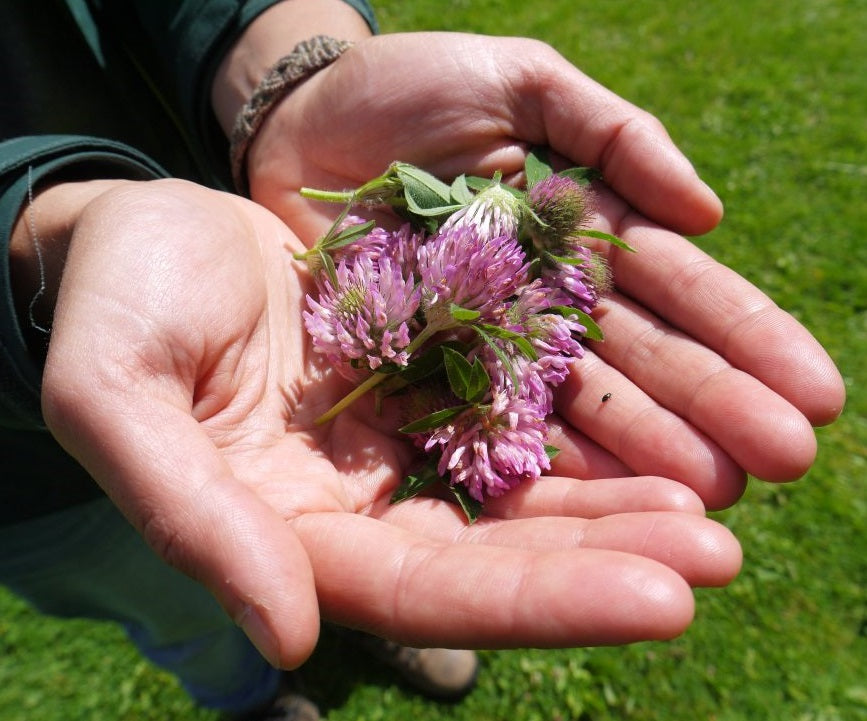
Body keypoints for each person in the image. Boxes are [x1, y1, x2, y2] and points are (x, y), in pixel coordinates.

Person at [0, 1, 845, 720]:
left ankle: (364, 622)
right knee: (177, 604)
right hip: (30, 483)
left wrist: (294, 70)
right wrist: (38, 244)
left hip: (244, 216)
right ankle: (248, 692)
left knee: (318, 552)